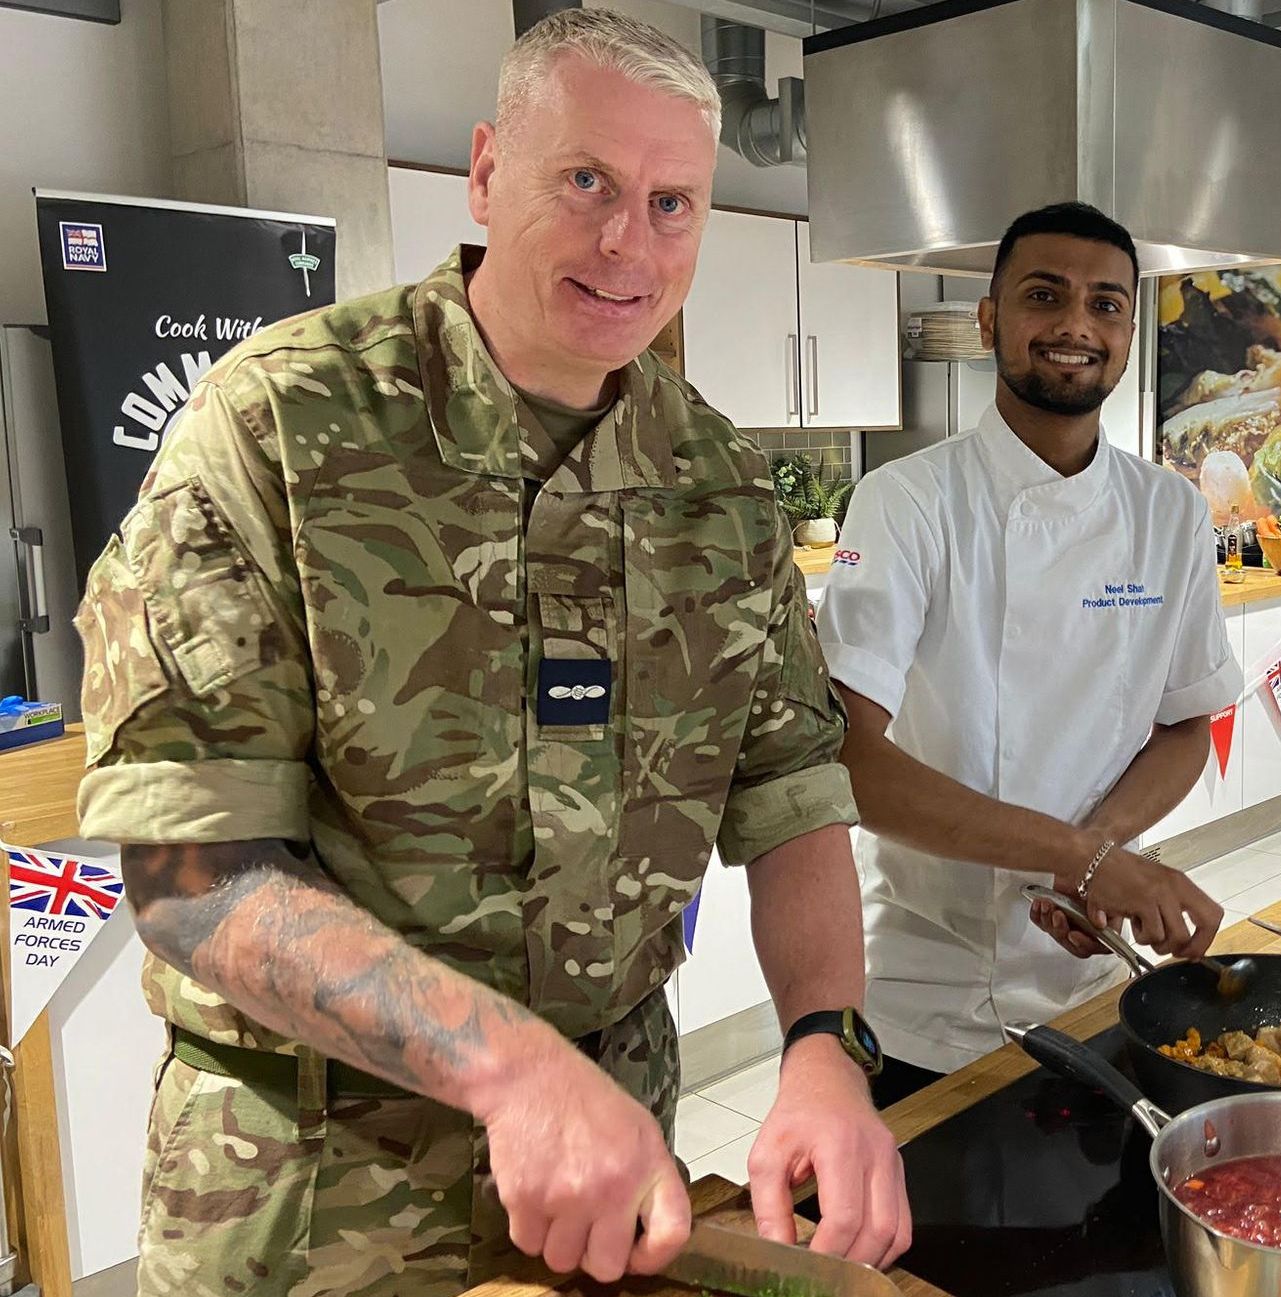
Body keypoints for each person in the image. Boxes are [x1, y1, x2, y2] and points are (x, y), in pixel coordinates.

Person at [71, 11, 907, 1295]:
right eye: (585, 181)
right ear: (482, 171)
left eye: (671, 201)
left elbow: (793, 804)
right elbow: (194, 872)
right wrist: (514, 1070)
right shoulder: (283, 426)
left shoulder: (720, 485)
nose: (628, 240)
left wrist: (824, 1046)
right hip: (308, 1194)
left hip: (605, 1187)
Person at [815, 203, 1243, 1107]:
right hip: (927, 1004)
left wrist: (1095, 863)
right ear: (989, 318)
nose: (1076, 326)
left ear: (1129, 328)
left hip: (1097, 979)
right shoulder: (906, 504)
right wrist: (1088, 863)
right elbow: (849, 761)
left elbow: (1184, 726)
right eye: (1044, 295)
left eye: (1107, 304)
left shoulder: (1170, 514)